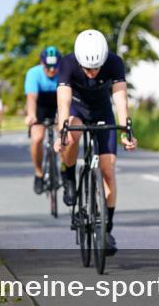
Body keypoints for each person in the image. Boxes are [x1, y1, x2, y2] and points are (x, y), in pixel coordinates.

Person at [52, 29, 137, 256]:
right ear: (79, 61)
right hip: (76, 108)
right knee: (72, 135)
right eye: (87, 69)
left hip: (102, 112)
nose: (91, 73)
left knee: (108, 169)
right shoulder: (68, 64)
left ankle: (107, 229)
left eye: (96, 68)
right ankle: (68, 174)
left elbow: (120, 99)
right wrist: (62, 130)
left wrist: (126, 130)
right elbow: (63, 100)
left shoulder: (115, 63)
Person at [24, 46, 61, 195]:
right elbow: (31, 98)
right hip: (40, 106)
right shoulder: (33, 73)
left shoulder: (64, 73)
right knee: (37, 138)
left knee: (67, 137)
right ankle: (39, 174)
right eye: (48, 67)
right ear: (42, 63)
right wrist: (31, 115)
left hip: (58, 105)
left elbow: (67, 100)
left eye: (55, 67)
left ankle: (65, 171)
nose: (52, 70)